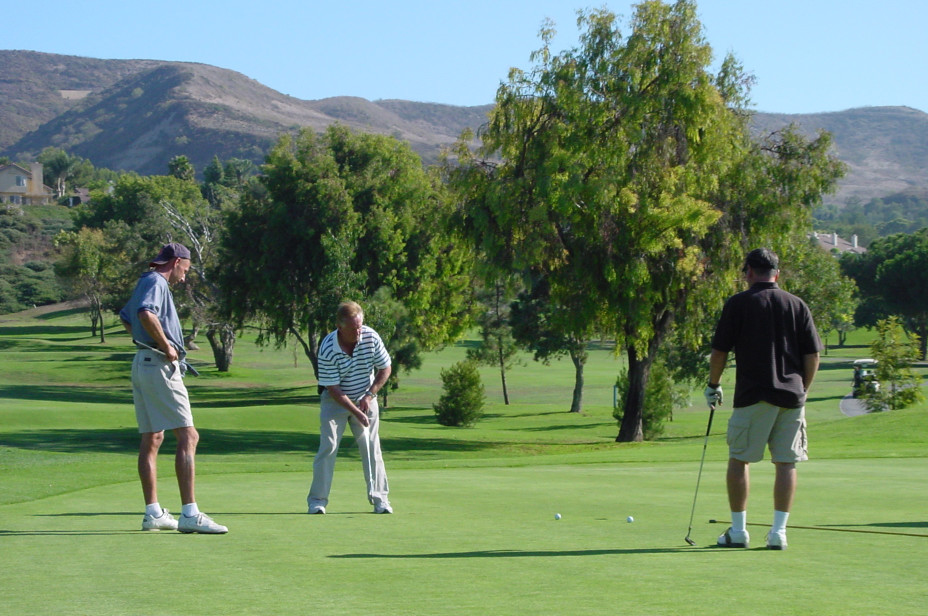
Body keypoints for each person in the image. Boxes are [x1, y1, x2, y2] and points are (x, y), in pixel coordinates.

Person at [704, 248, 822, 550]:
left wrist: (713, 384)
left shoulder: (739, 303)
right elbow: (812, 354)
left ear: (749, 273)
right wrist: (803, 389)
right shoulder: (796, 304)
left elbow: (719, 352)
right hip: (792, 396)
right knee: (786, 463)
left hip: (753, 395)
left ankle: (739, 531)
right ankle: (778, 533)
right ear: (777, 274)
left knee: (740, 458)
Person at [120, 243, 228, 534]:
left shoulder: (145, 279)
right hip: (158, 364)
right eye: (185, 270)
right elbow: (144, 314)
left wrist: (146, 342)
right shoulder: (156, 281)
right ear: (177, 261)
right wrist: (165, 345)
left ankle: (153, 513)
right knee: (188, 435)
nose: (184, 277)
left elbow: (126, 318)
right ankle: (190, 513)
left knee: (153, 437)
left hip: (142, 363)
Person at [308, 301, 393, 514]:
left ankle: (380, 500)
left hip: (366, 395)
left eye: (360, 326)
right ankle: (317, 501)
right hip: (334, 400)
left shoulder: (370, 337)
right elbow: (333, 389)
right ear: (340, 326)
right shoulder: (328, 348)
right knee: (328, 446)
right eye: (354, 328)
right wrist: (356, 411)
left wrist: (370, 395)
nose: (358, 331)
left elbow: (385, 368)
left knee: (372, 447)